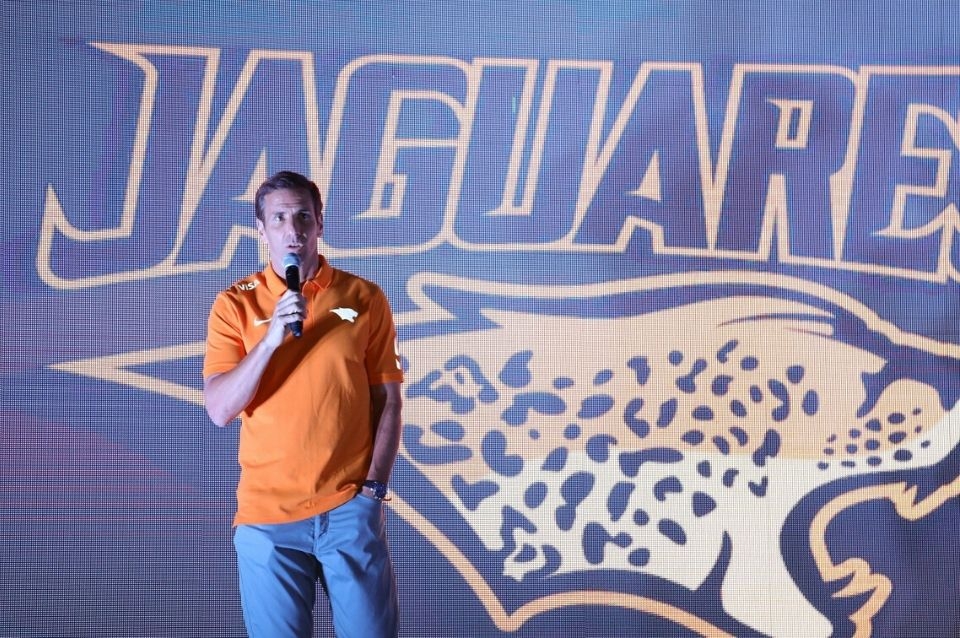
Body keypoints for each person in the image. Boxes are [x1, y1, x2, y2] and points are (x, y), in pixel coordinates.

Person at [202, 170, 404, 638]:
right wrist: (271, 338)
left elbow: (389, 401)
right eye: (279, 218)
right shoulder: (234, 305)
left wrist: (372, 490)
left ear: (319, 223)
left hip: (348, 508)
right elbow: (219, 409)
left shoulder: (364, 297)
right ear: (261, 229)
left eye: (303, 217)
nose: (292, 229)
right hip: (267, 517)